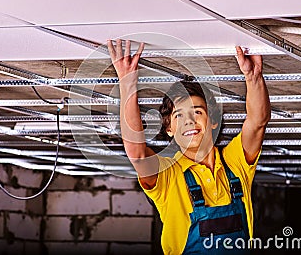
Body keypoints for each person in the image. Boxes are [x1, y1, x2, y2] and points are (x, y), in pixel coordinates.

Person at [107, 39, 271, 254]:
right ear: (169, 129)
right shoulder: (168, 176)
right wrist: (127, 82)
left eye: (197, 112)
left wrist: (253, 77)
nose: (189, 121)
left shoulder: (235, 163)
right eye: (178, 115)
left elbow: (257, 122)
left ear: (213, 121)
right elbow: (136, 153)